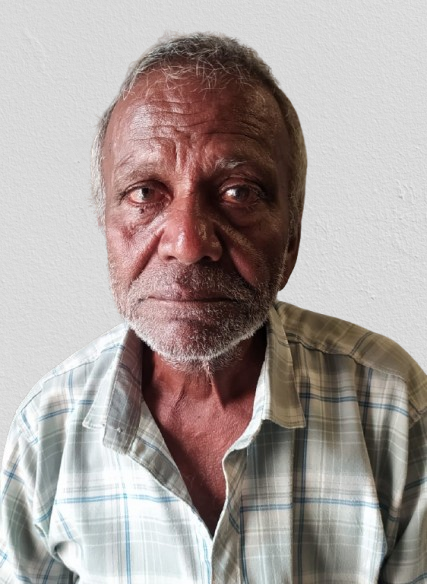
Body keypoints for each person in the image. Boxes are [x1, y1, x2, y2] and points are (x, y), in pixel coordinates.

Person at [1, 32, 426, 584]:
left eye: (239, 192)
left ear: (292, 235)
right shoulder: (48, 432)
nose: (187, 242)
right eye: (144, 193)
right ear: (106, 225)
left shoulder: (391, 408)